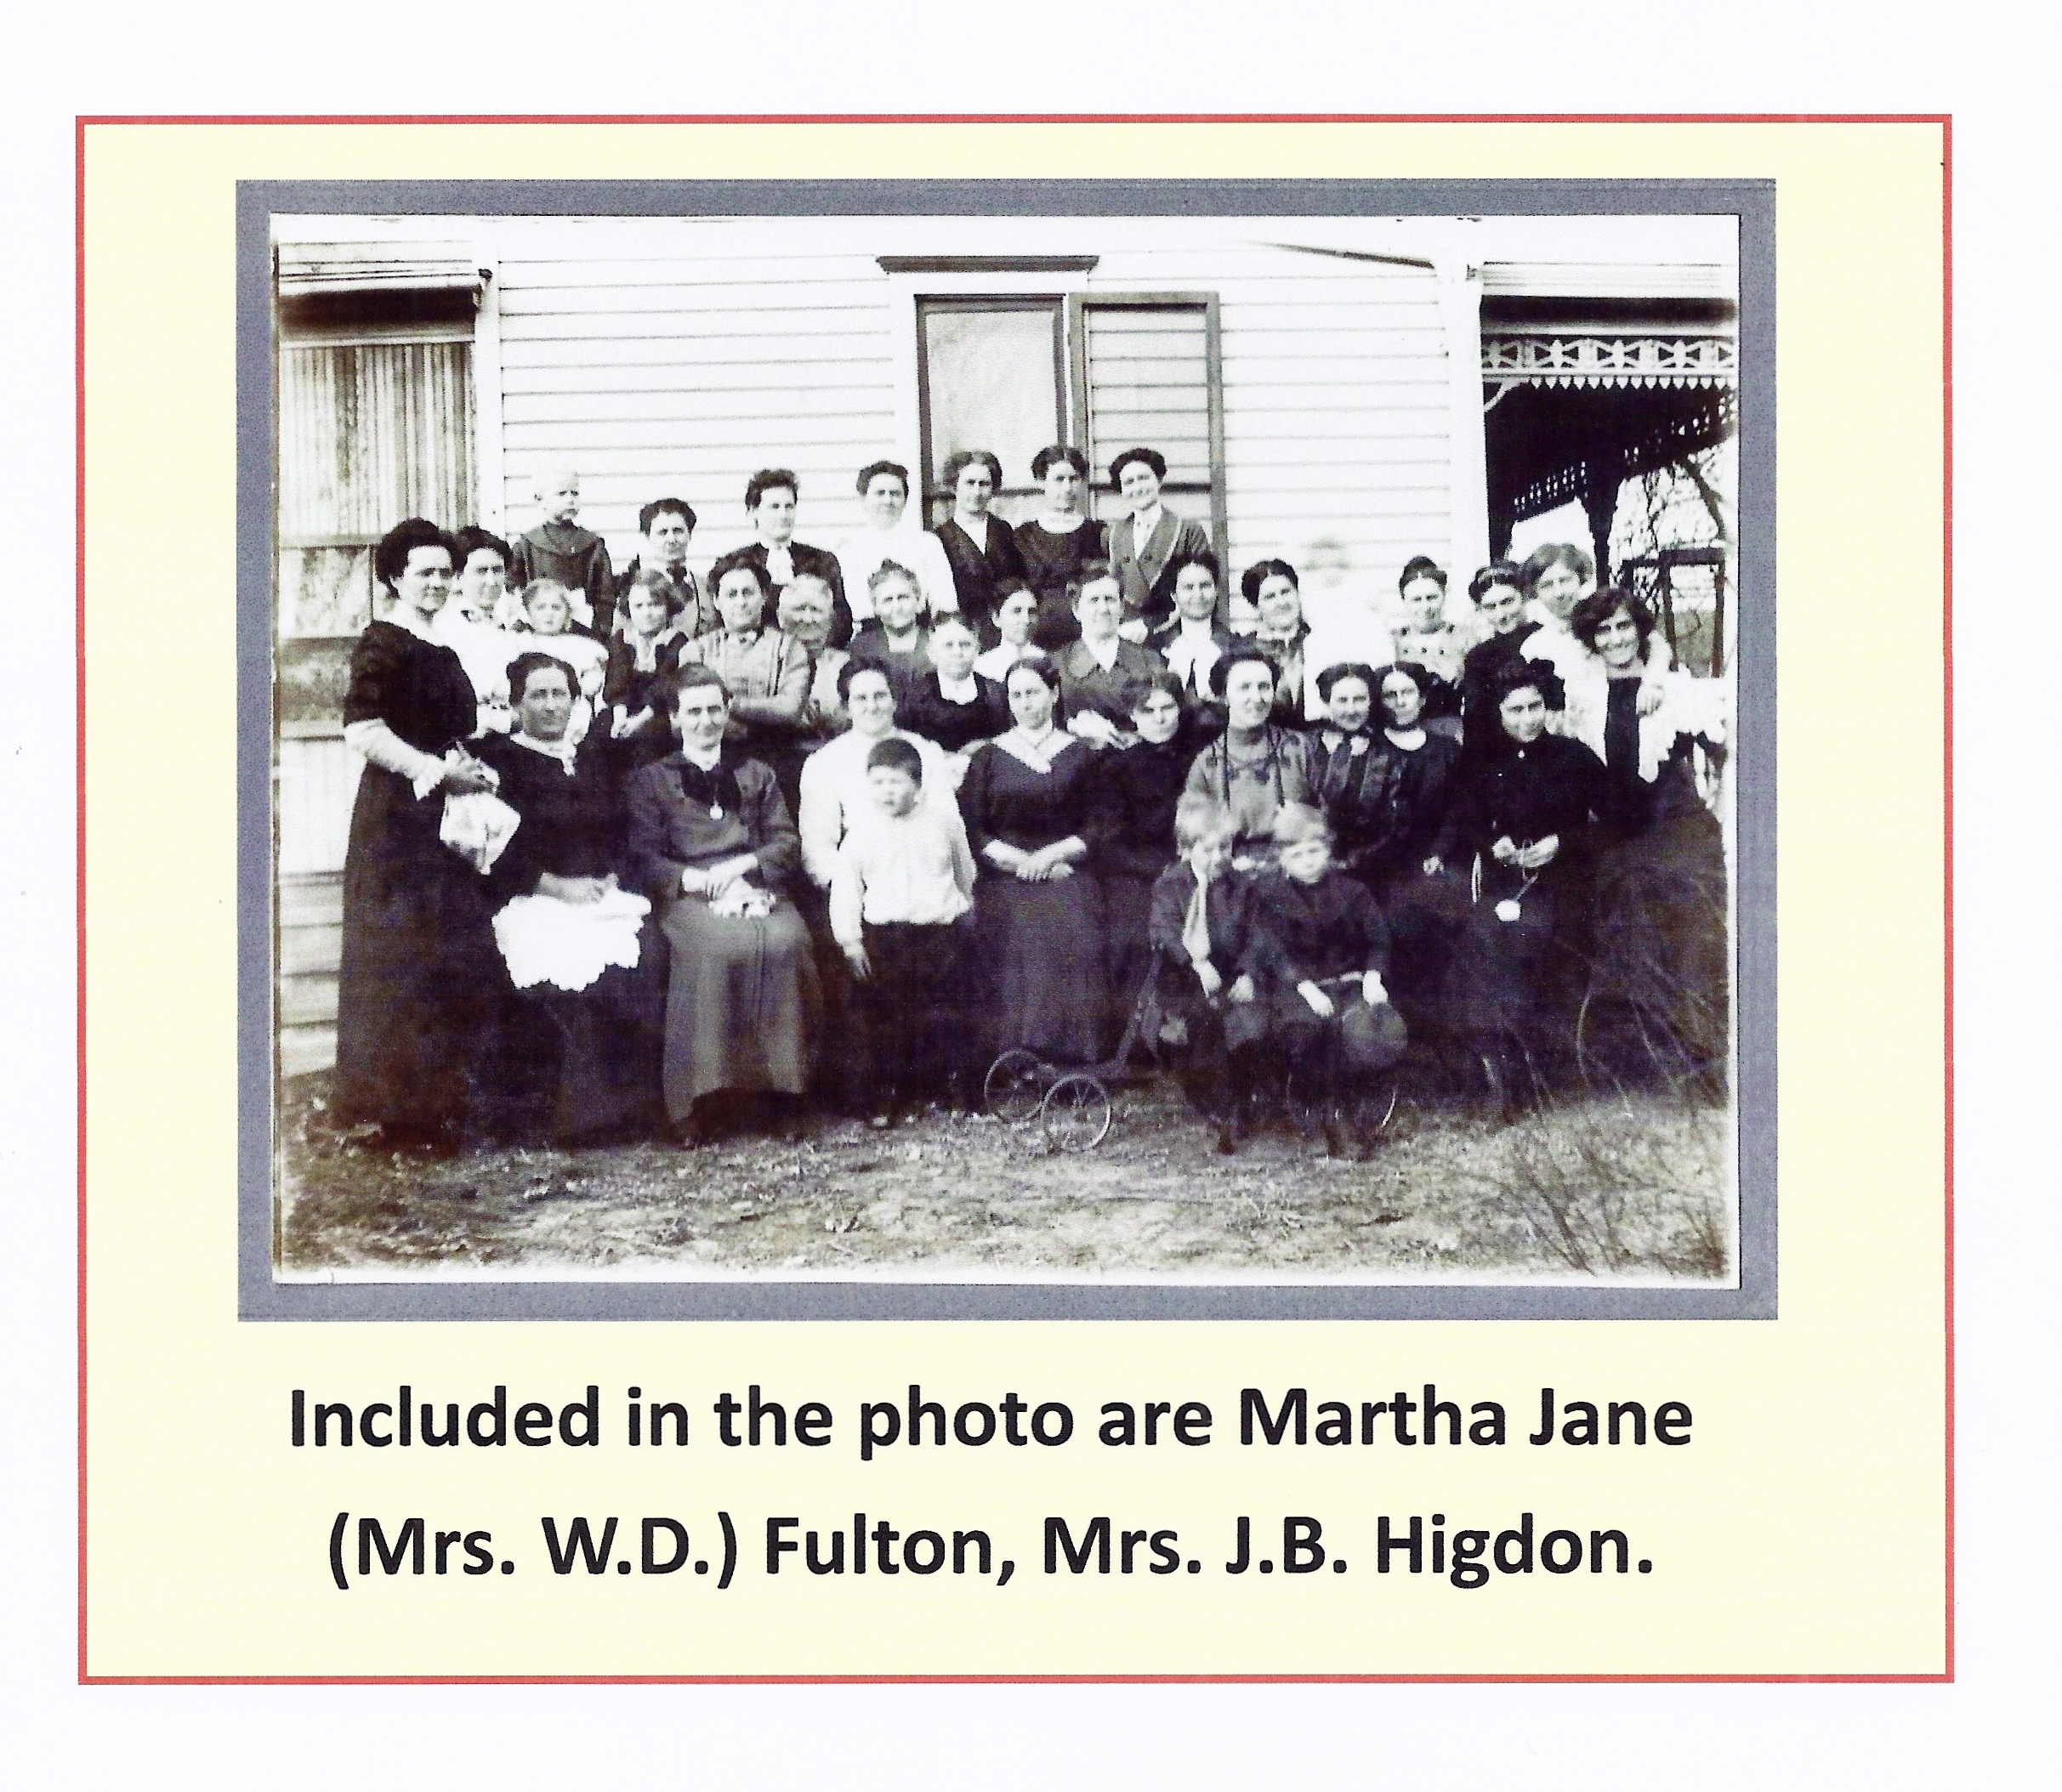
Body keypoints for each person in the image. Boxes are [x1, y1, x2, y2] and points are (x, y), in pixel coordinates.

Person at [330, 518, 505, 1148]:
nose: (436, 582)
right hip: (396, 820)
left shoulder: (442, 644)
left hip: (443, 818)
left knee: (447, 949)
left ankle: (442, 1104)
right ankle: (400, 1115)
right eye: (423, 572)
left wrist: (469, 759)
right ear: (395, 579)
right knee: (400, 955)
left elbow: (451, 725)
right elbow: (363, 730)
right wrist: (434, 771)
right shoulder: (383, 642)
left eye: (444, 572)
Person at [474, 653, 665, 1145]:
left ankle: (636, 1109)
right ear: (516, 705)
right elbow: (494, 848)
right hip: (533, 894)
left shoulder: (590, 757)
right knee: (568, 972)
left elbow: (620, 828)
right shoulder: (499, 764)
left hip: (599, 891)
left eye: (559, 694)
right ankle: (582, 1119)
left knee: (647, 954)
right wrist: (556, 887)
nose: (550, 706)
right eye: (537, 695)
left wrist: (611, 875)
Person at [627, 666, 821, 1145]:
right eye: (693, 711)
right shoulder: (651, 780)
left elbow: (785, 842)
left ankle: (783, 1091)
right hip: (689, 893)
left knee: (788, 941)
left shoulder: (757, 774)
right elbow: (644, 856)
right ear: (675, 718)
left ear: (728, 711)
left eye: (715, 709)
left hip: (753, 883)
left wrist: (742, 868)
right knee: (715, 949)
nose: (705, 721)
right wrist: (693, 879)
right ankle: (700, 1099)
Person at [1563, 587, 1730, 1073]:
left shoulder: (1674, 690)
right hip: (1617, 828)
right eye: (1604, 631)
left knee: (1687, 914)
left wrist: (1721, 803)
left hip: (1675, 824)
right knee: (1622, 909)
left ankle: (1698, 1047)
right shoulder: (1583, 695)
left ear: (1640, 630)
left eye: (1624, 627)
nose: (1616, 639)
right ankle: (1636, 1050)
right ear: (1591, 640)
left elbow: (1727, 752)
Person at [1434, 658, 1609, 1117]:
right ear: (1498, 714)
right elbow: (1465, 818)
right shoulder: (1480, 762)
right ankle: (1500, 1067)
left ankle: (1542, 1068)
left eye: (1535, 707)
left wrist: (1563, 842)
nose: (1527, 719)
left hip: (1565, 880)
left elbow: (1618, 819)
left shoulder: (1574, 756)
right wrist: (1493, 843)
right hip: (1506, 879)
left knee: (1542, 944)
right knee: (1486, 943)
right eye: (1515, 710)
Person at [796, 661, 969, 1114]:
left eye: (880, 696)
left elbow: (951, 834)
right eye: (861, 698)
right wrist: (853, 895)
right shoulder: (825, 762)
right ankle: (876, 1088)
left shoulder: (925, 752)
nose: (872, 706)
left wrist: (961, 899)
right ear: (846, 705)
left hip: (929, 896)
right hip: (862, 896)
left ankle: (939, 1081)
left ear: (895, 700)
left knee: (945, 990)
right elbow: (819, 847)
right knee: (874, 995)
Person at [957, 657, 1106, 1065]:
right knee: (1017, 932)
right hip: (1004, 873)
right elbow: (973, 828)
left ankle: (1072, 1054)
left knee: (1076, 925)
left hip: (1067, 867)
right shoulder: (988, 757)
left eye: (1033, 692)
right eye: (1017, 695)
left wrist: (1052, 856)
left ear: (1054, 693)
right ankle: (1014, 1054)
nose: (1025, 702)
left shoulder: (1081, 754)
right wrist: (1022, 862)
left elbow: (1099, 823)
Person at [830, 736, 980, 1125]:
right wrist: (851, 942)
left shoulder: (944, 824)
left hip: (939, 934)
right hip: (887, 939)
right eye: (878, 783)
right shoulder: (860, 833)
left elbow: (965, 872)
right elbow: (846, 890)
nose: (887, 792)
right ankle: (886, 1094)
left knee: (948, 1014)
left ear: (918, 785)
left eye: (897, 782)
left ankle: (955, 1087)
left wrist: (962, 910)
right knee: (887, 1019)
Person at [1247, 803, 1411, 1158]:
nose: (1307, 861)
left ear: (1328, 848)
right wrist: (1306, 988)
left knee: (1358, 1030)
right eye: (1297, 855)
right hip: (1299, 989)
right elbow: (1274, 952)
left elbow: (1378, 940)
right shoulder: (1272, 897)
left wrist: (1373, 977)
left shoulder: (1353, 892)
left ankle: (1348, 1114)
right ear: (1282, 859)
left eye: (1314, 851)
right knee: (1307, 1032)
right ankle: (1318, 1115)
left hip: (1348, 982)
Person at [1147, 795, 1277, 1154]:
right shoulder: (1171, 886)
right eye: (1207, 850)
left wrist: (1248, 973)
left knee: (1250, 1024)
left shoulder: (1242, 886)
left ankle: (1242, 1099)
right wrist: (1196, 963)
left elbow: (1258, 935)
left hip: (1231, 975)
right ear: (1186, 849)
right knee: (1201, 1026)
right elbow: (1163, 932)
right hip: (1184, 978)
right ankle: (1218, 1107)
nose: (1219, 857)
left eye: (1225, 847)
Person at [1355, 661, 1467, 1024]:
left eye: (1408, 693)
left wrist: (1439, 852)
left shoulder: (1446, 749)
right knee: (1393, 916)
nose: (1400, 701)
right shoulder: (1369, 748)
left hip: (1435, 858)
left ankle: (1441, 1018)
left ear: (1422, 699)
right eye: (1390, 694)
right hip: (1382, 862)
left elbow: (1457, 809)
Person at [1089, 671, 1194, 1043]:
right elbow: (1109, 841)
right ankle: (1136, 1039)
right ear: (1133, 715)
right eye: (1148, 711)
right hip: (1135, 870)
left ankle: (1189, 1030)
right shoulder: (1115, 767)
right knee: (1133, 934)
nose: (1160, 718)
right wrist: (1159, 868)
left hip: (1191, 864)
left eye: (1168, 708)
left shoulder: (1197, 758)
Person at [677, 552, 811, 801]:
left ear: (764, 597)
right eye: (732, 594)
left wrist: (729, 704)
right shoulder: (697, 651)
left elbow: (790, 709)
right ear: (717, 601)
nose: (741, 602)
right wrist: (759, 714)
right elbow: (689, 712)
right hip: (713, 757)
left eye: (748, 593)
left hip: (774, 758)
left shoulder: (789, 648)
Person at [1182, 644, 1317, 869]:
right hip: (1231, 871)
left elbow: (1324, 817)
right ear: (1224, 696)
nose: (1256, 698)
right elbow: (1194, 836)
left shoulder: (1300, 749)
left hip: (1297, 868)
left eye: (1264, 687)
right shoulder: (1206, 764)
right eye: (1244, 687)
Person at [1054, 560, 1166, 748]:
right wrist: (1074, 727)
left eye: (1110, 599)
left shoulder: (1150, 660)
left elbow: (1166, 721)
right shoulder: (1058, 664)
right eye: (1094, 600)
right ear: (1076, 610)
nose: (1103, 609)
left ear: (1122, 608)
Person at [833, 460, 960, 625]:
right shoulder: (848, 549)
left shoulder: (927, 544)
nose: (888, 501)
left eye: (895, 493)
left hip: (919, 630)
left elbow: (946, 603)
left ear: (905, 500)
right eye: (880, 493)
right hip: (866, 632)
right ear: (864, 499)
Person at [736, 468, 853, 647]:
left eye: (789, 507)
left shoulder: (821, 561)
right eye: (775, 507)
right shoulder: (739, 563)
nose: (783, 515)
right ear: (754, 511)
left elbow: (842, 621)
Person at [1106, 445, 1210, 636]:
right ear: (1121, 490)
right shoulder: (1114, 534)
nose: (1138, 487)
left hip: (1178, 629)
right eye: (1129, 482)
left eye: (1144, 478)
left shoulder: (1188, 530)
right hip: (1128, 632)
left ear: (1159, 480)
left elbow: (1204, 585)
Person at [1014, 445, 1106, 649]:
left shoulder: (1097, 533)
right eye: (1059, 479)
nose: (1067, 488)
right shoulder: (1022, 537)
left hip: (1085, 637)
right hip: (1036, 637)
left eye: (1073, 479)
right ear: (1041, 482)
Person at [933, 450, 1027, 643]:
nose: (977, 492)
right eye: (970, 483)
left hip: (1005, 632)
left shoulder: (1004, 531)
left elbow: (1019, 582)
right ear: (954, 486)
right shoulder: (940, 538)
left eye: (984, 484)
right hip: (963, 633)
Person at [432, 525, 520, 729]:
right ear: (458, 577)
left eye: (497, 571)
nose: (492, 581)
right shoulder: (446, 628)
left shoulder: (507, 626)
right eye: (481, 571)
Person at [602, 569, 692, 765]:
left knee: (648, 747)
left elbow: (664, 685)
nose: (647, 613)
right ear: (628, 608)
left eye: (655, 605)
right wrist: (620, 719)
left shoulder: (676, 642)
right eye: (639, 606)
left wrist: (639, 721)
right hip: (622, 707)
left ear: (669, 606)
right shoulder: (622, 639)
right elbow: (617, 680)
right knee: (599, 740)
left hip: (657, 711)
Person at [509, 468, 613, 635]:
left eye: (575, 493)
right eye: (562, 493)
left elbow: (605, 596)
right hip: (538, 629)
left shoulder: (592, 545)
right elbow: (513, 591)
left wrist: (601, 631)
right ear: (540, 500)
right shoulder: (527, 545)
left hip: (582, 629)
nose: (570, 499)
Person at [902, 612, 1010, 769]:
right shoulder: (916, 695)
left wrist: (987, 747)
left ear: (977, 649)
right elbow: (906, 744)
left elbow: (1010, 738)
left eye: (965, 644)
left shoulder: (995, 693)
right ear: (932, 652)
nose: (957, 652)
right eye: (948, 645)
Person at [1151, 548, 1235, 739]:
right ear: (1174, 595)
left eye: (1205, 585)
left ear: (1216, 590)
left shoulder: (1234, 647)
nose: (1198, 594)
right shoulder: (1155, 648)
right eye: (1189, 587)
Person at [513, 579, 609, 741]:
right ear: (528, 612)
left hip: (572, 712)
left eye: (556, 608)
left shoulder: (582, 646)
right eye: (541, 607)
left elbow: (594, 682)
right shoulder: (520, 643)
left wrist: (590, 681)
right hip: (530, 711)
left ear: (567, 614)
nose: (549, 614)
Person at [1459, 561, 1538, 756]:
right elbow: (1475, 723)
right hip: (1501, 754)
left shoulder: (1544, 639)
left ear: (1524, 596)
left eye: (1507, 602)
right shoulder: (1478, 658)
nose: (1501, 614)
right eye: (1490, 607)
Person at [612, 498, 717, 640]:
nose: (671, 539)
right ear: (648, 537)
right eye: (663, 532)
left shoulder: (706, 588)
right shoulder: (631, 588)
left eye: (678, 531)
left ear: (689, 534)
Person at [845, 559, 936, 719]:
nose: (897, 607)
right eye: (888, 600)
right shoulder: (861, 647)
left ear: (918, 601)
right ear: (876, 608)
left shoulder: (936, 642)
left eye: (903, 598)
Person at [1242, 558, 1323, 729]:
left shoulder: (1321, 640)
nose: (1281, 602)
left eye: (1286, 592)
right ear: (1256, 606)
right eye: (1270, 597)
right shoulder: (1245, 650)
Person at [779, 573, 850, 749]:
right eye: (800, 609)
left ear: (831, 618)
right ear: (780, 617)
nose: (808, 619)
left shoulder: (846, 666)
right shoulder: (765, 662)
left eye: (816, 610)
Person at [1389, 554, 1471, 706]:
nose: (1426, 607)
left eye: (1432, 598)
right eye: (1417, 600)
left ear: (1444, 595)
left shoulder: (1465, 637)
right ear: (1404, 601)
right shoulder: (1393, 641)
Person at [973, 581, 1047, 683]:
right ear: (996, 618)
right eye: (1017, 611)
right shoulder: (982, 667)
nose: (1026, 620)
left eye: (1032, 612)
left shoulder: (1045, 660)